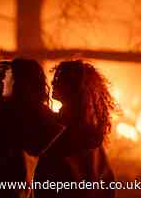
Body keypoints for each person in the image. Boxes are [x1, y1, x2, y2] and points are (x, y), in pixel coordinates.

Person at [0, 59, 65, 198]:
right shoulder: (41, 118)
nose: (3, 81)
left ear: (19, 81)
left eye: (6, 76)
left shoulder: (8, 118)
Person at [34, 60, 116, 198]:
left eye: (60, 79)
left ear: (74, 87)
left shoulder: (63, 129)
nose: (53, 83)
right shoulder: (91, 130)